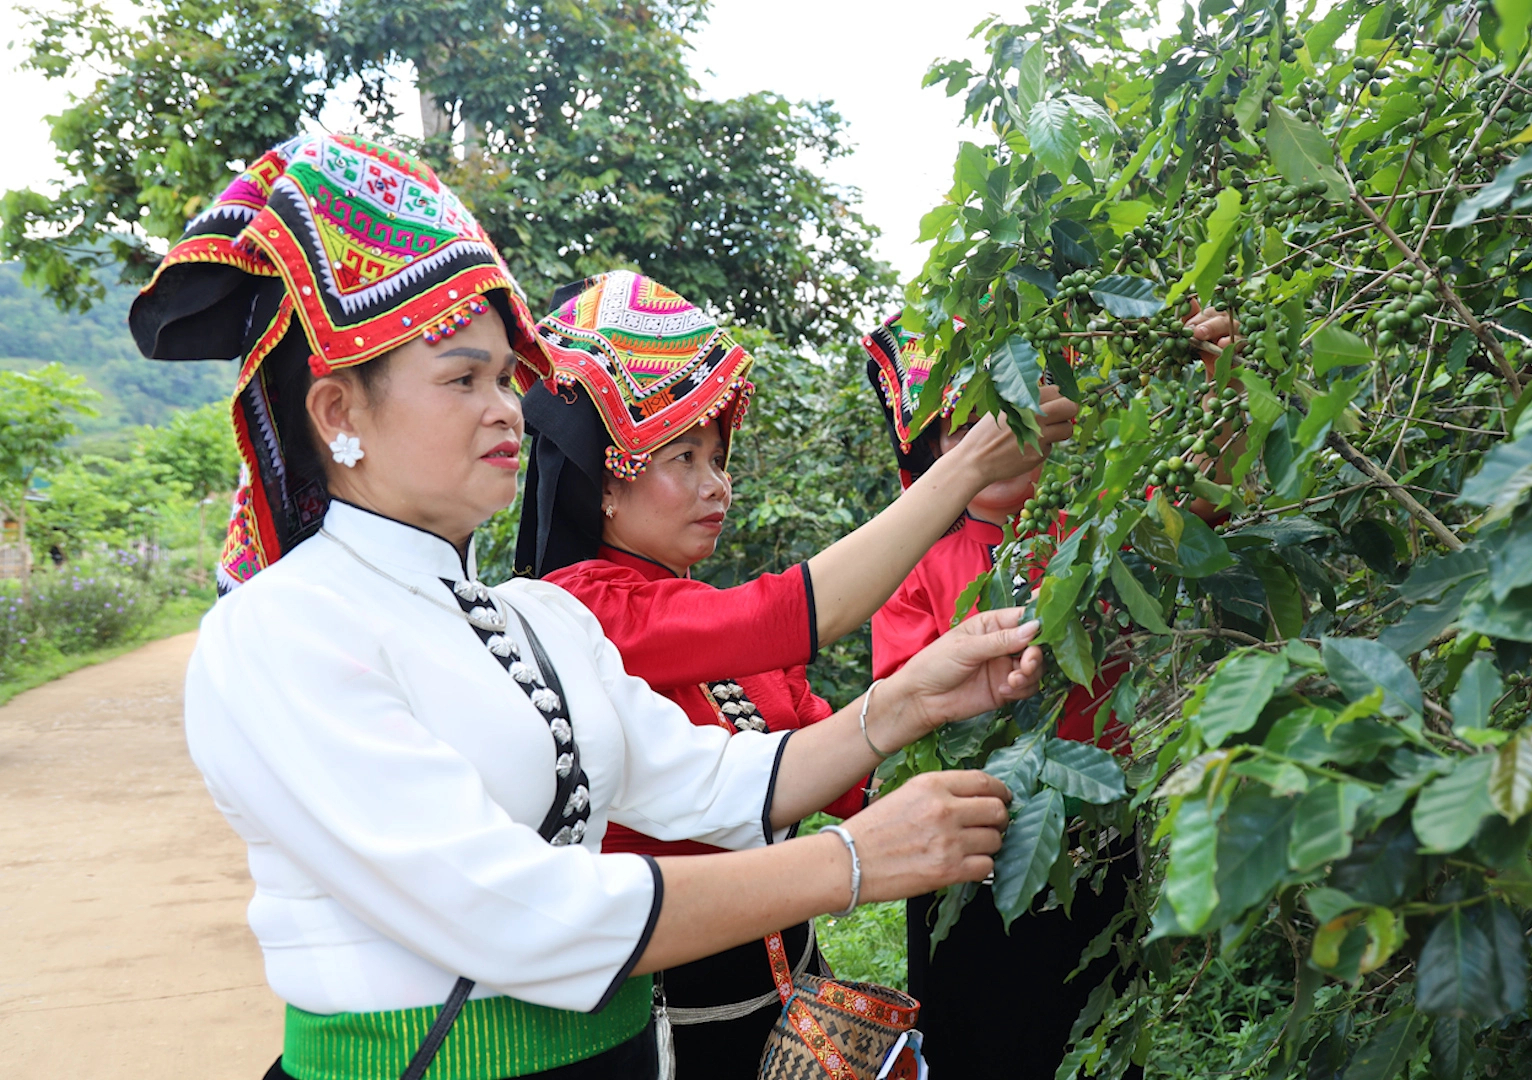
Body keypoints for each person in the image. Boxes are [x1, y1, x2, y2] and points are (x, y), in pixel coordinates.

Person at [131, 133, 1041, 1080]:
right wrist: (851, 862)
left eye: (502, 379)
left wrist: (914, 699)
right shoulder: (282, 631)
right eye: (462, 379)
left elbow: (719, 783)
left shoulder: (534, 622)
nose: (508, 411)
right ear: (339, 414)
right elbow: (508, 912)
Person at [511, 269, 1079, 1077]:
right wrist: (964, 468)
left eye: (719, 456)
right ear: (606, 478)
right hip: (673, 1025)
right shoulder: (583, 609)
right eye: (685, 456)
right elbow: (792, 614)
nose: (718, 485)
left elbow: (844, 765)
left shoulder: (706, 631)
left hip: (785, 1014)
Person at [862, 305, 1237, 1079]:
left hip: (1092, 836)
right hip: (966, 849)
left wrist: (1217, 378)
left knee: (1090, 1029)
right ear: (935, 454)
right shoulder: (913, 565)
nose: (996, 444)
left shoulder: (1091, 526)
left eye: (1010, 417)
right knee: (978, 1040)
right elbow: (903, 711)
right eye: (966, 431)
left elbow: (1204, 504)